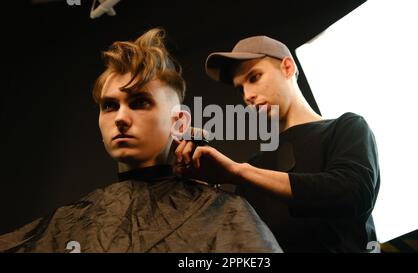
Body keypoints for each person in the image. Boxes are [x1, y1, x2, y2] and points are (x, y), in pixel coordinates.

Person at [0, 29, 282, 253]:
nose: (121, 118)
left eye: (140, 102)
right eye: (110, 106)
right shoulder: (69, 222)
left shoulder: (221, 212)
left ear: (179, 123)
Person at [175, 35, 380, 252]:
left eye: (254, 77)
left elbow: (353, 193)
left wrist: (238, 171)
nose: (247, 95)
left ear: (288, 67)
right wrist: (205, 189)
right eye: (240, 89)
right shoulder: (256, 166)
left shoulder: (346, 127)